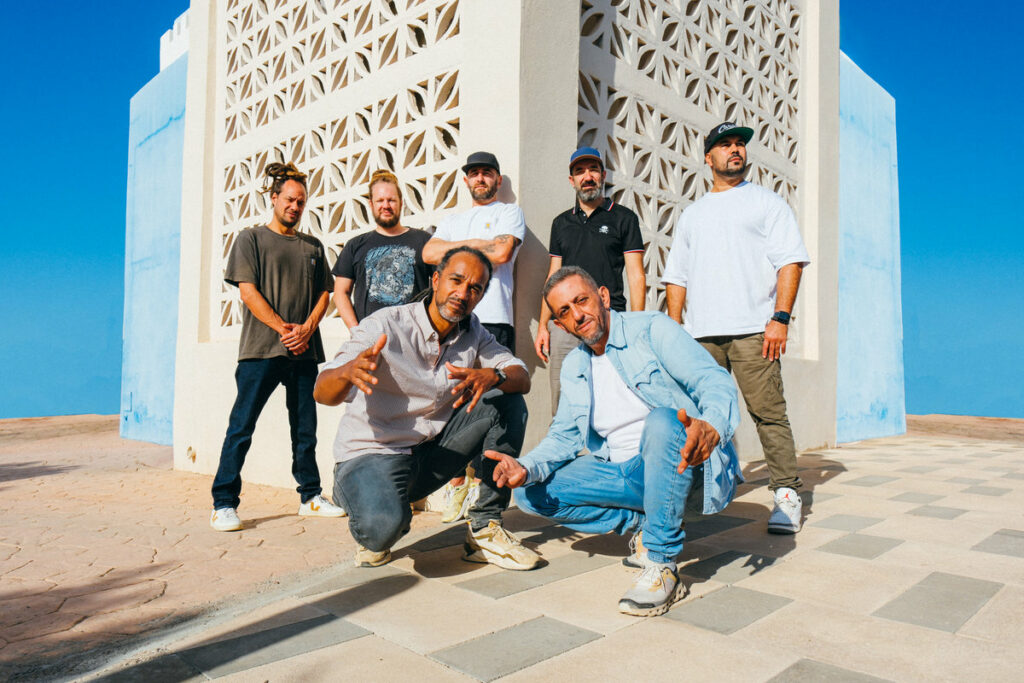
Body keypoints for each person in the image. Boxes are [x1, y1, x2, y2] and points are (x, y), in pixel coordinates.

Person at [486, 267, 741, 616]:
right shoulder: (575, 366)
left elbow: (712, 379)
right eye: (564, 311)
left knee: (662, 420)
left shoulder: (651, 329)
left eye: (581, 301)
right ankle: (646, 524)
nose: (577, 315)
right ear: (560, 325)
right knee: (530, 493)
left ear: (603, 297)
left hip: (682, 464)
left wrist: (712, 425)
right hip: (622, 471)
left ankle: (662, 563)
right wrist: (525, 466)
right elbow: (563, 436)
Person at [314, 247, 542, 571]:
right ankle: (365, 501)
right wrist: (347, 371)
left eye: (474, 288)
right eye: (456, 280)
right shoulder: (386, 324)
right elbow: (322, 391)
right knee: (382, 531)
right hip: (373, 454)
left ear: (480, 297)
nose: (462, 293)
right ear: (436, 280)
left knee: (507, 399)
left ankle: (484, 527)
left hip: (429, 454)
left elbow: (521, 377)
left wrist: (495, 375)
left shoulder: (474, 332)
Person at [662, 121, 811, 535]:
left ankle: (786, 494)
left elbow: (790, 262)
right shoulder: (692, 214)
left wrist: (780, 318)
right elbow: (677, 276)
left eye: (739, 144)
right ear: (708, 158)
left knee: (769, 415)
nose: (735, 150)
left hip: (753, 332)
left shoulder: (767, 203)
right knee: (695, 419)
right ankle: (690, 500)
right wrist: (673, 329)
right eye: (725, 145)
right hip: (700, 337)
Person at [211, 162, 346, 532]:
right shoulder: (250, 239)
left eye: (301, 201)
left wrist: (307, 329)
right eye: (289, 199)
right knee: (241, 427)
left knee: (305, 429)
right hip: (260, 351)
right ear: (273, 198)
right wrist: (282, 328)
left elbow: (325, 293)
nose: (295, 206)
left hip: (304, 351)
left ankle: (310, 497)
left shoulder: (313, 246)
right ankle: (223, 503)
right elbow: (247, 291)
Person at [422, 152, 527, 522]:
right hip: (456, 323)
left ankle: (485, 489)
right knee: (454, 403)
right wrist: (478, 244)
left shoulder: (509, 213)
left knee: (497, 405)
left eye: (487, 173)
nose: (480, 178)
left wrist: (459, 250)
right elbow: (428, 252)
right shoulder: (453, 219)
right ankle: (456, 482)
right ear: (466, 180)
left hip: (495, 322)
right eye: (474, 173)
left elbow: (502, 251)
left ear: (497, 179)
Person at [534, 146, 647, 412]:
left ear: (603, 175)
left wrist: (636, 324)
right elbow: (553, 277)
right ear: (571, 180)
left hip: (610, 321)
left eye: (593, 170)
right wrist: (543, 326)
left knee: (613, 399)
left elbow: (636, 274)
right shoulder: (561, 223)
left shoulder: (624, 218)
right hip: (565, 326)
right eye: (580, 171)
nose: (587, 177)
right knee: (564, 401)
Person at [332, 170, 433, 328]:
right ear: (371, 204)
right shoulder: (355, 245)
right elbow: (340, 293)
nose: (386, 206)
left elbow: (442, 284)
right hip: (371, 337)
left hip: (414, 336)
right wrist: (357, 331)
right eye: (380, 201)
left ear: (401, 202)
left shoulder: (424, 241)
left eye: (391, 200)